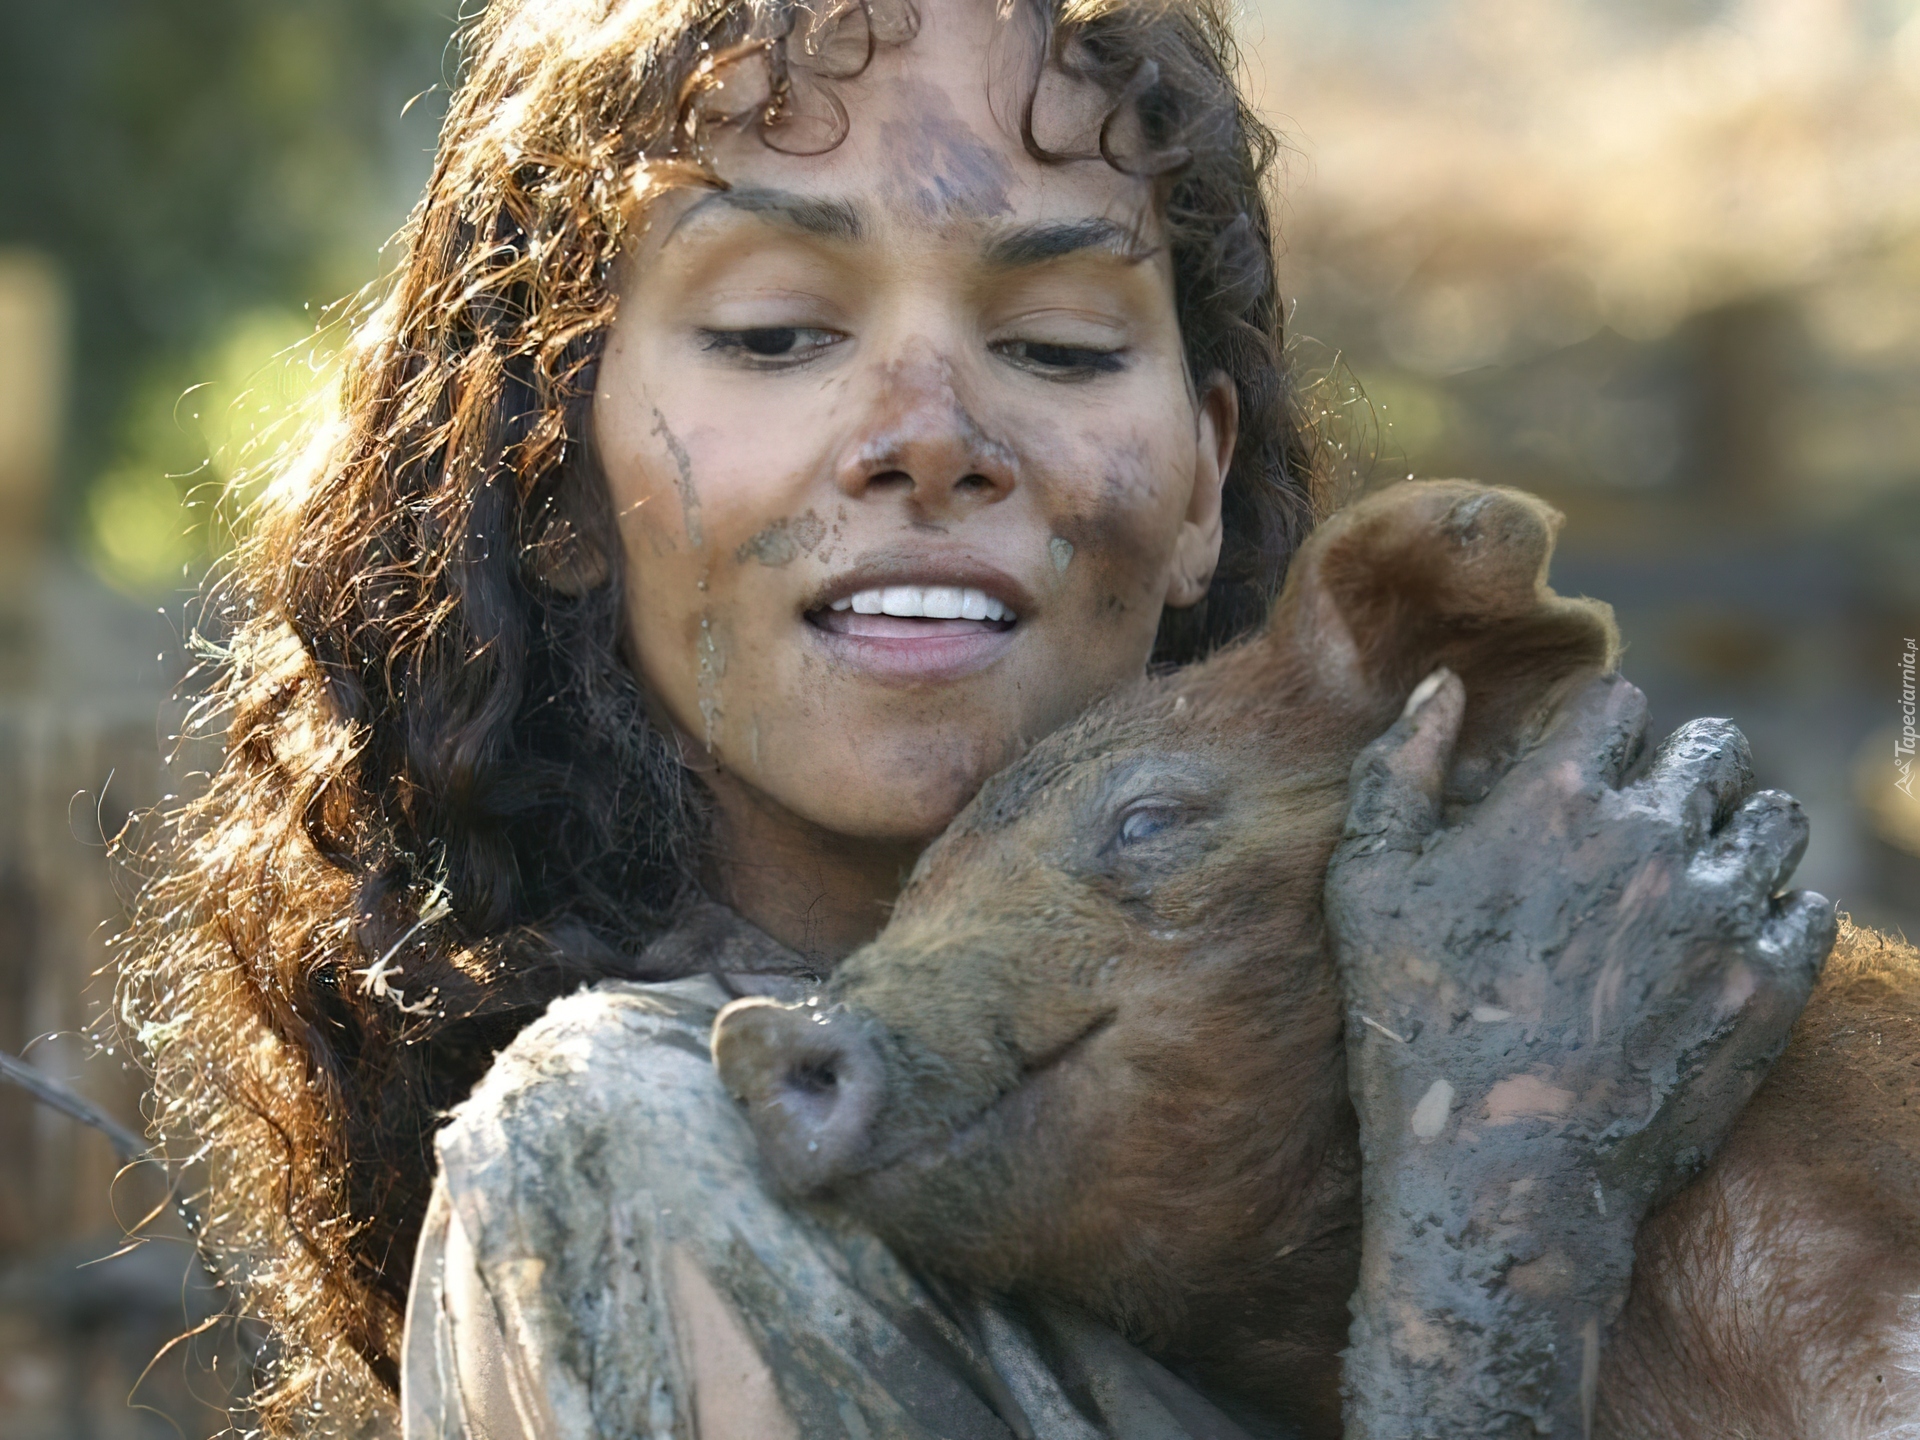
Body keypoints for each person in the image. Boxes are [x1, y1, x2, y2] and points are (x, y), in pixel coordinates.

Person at [116, 0, 1831, 1434]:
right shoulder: (625, 1166)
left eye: (1066, 347)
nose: (928, 429)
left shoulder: (1379, 1122)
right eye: (777, 330)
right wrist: (1496, 1255)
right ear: (552, 482)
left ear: (1203, 485)